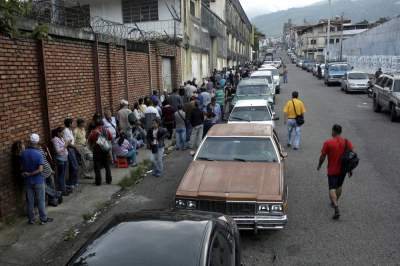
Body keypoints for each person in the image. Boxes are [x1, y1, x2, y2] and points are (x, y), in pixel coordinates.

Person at [317, 124, 354, 220]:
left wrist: (319, 165)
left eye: (332, 131)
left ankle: (336, 206)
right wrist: (350, 170)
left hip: (332, 169)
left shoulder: (328, 143)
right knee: (339, 186)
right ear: (340, 132)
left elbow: (323, 156)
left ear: (333, 131)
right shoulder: (347, 142)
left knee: (332, 188)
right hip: (343, 170)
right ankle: (335, 201)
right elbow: (351, 156)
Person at [20, 133, 53, 225]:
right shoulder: (38, 154)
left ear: (29, 141)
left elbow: (21, 167)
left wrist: (26, 173)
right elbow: (40, 169)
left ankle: (31, 219)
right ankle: (43, 218)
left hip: (27, 181)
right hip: (38, 180)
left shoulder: (23, 153)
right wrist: (31, 173)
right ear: (37, 142)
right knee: (40, 200)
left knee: (30, 201)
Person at [88, 114, 113, 186]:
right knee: (107, 166)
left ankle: (98, 182)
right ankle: (109, 180)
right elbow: (110, 138)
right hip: (105, 150)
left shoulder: (93, 132)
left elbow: (89, 141)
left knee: (97, 167)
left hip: (97, 151)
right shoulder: (106, 130)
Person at [52, 127, 69, 195]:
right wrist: (65, 145)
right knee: (61, 175)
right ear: (58, 133)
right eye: (62, 132)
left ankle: (63, 187)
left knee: (63, 174)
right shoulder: (55, 140)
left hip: (64, 158)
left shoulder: (61, 138)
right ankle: (62, 190)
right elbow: (58, 151)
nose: (63, 134)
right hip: (60, 159)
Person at [63, 118, 79, 189]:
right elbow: (67, 143)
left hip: (73, 149)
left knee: (74, 166)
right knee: (74, 166)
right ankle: (71, 182)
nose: (74, 124)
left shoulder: (70, 130)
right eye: (73, 123)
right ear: (69, 124)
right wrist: (75, 147)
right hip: (70, 149)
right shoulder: (66, 131)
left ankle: (74, 181)